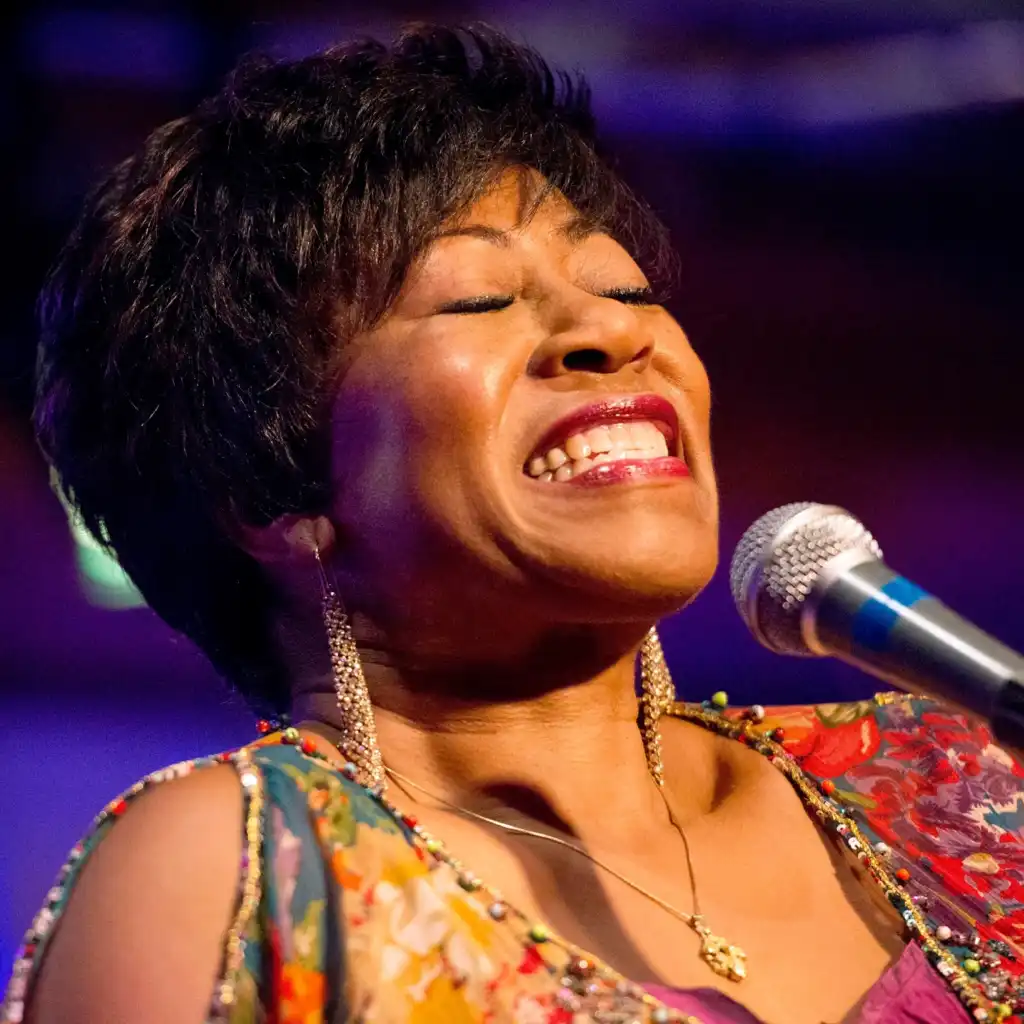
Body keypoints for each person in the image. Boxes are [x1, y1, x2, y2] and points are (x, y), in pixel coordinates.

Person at [3, 23, 1023, 1024]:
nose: (613, 328)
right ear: (275, 491)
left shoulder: (959, 785)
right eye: (478, 299)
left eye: (622, 285)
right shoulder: (234, 869)